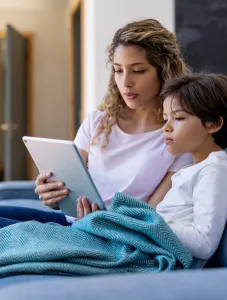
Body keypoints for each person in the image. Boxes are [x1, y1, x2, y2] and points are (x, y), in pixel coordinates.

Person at [0, 18, 192, 227]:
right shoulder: (99, 121)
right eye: (118, 70)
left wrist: (99, 222)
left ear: (163, 72)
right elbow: (68, 186)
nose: (125, 82)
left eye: (138, 71)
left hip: (107, 234)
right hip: (70, 222)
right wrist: (53, 195)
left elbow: (150, 218)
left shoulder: (178, 137)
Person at [156, 73, 227, 265]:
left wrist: (152, 223)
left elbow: (204, 243)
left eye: (178, 118)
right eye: (164, 119)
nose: (166, 127)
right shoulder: (193, 169)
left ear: (213, 124)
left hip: (163, 261)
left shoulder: (215, 171)